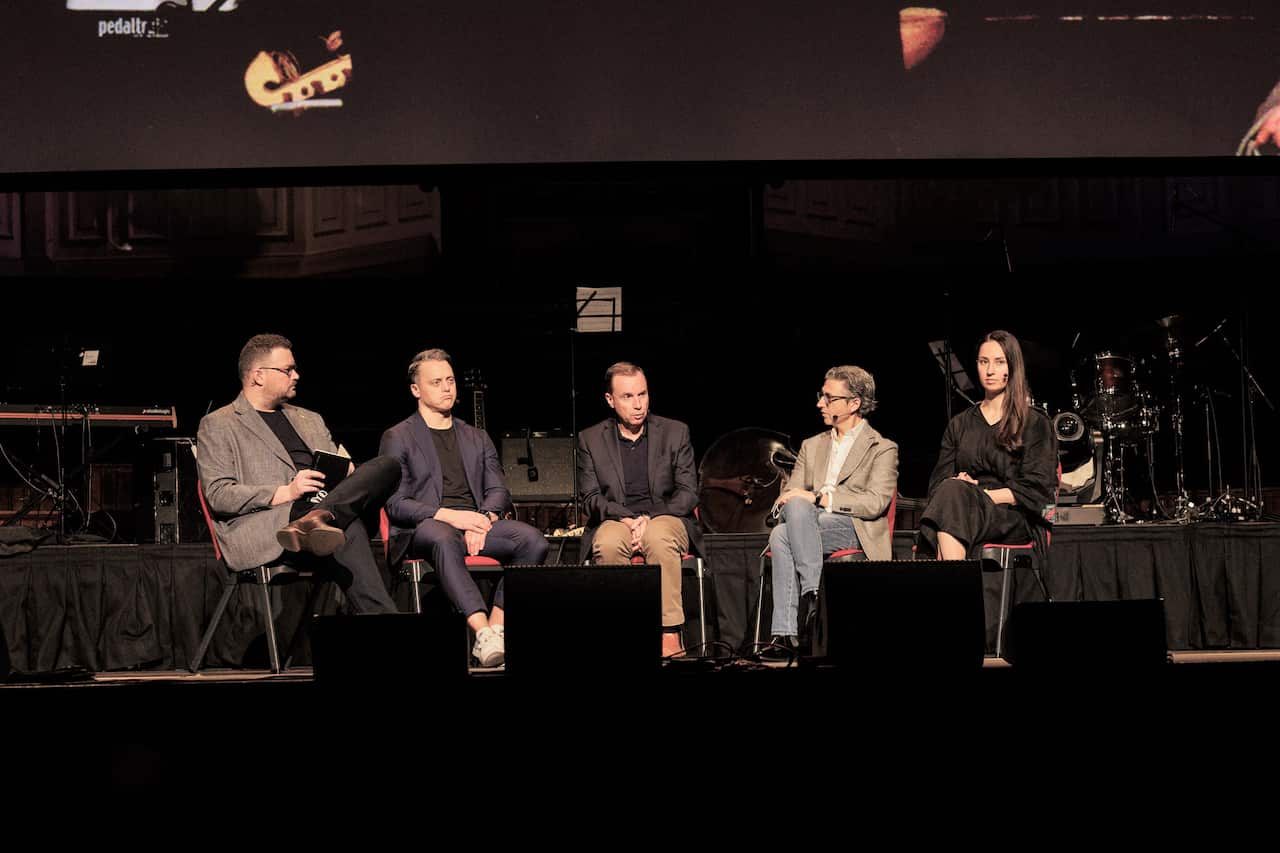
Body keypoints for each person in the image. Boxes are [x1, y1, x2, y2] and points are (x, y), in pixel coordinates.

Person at [196, 333, 399, 616]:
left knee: (388, 465)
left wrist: (346, 473)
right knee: (344, 528)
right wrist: (287, 492)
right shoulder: (219, 424)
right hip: (272, 526)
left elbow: (336, 466)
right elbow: (219, 494)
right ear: (258, 375)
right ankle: (391, 627)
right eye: (287, 369)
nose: (296, 375)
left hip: (326, 504)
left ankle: (321, 515)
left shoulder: (310, 419)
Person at [380, 349, 549, 668]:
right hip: (426, 527)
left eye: (450, 380)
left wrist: (482, 519)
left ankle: (497, 628)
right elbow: (397, 503)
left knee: (533, 541)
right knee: (444, 537)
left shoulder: (476, 436)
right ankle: (481, 631)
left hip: (475, 522)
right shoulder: (398, 436)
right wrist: (456, 518)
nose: (446, 388)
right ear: (416, 390)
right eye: (436, 382)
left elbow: (498, 489)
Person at [761, 365, 898, 658]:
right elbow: (790, 499)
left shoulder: (882, 448)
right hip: (806, 523)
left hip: (854, 527)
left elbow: (875, 503)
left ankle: (785, 633)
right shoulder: (812, 446)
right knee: (787, 525)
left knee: (783, 534)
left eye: (829, 398)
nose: (820, 403)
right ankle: (813, 596)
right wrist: (804, 500)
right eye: (821, 396)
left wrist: (820, 498)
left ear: (854, 404)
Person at [577, 362, 701, 657]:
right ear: (610, 400)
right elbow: (590, 497)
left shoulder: (675, 432)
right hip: (616, 518)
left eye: (642, 395)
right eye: (628, 397)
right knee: (607, 543)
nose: (638, 405)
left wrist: (650, 517)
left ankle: (669, 633)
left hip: (667, 517)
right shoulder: (590, 439)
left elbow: (688, 494)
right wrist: (627, 518)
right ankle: (622, 631)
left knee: (657, 537)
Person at [916, 329, 1057, 563]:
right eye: (984, 362)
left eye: (999, 362)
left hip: (1012, 516)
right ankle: (958, 583)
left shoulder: (1034, 423)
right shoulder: (959, 424)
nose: (990, 370)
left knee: (953, 500)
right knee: (950, 494)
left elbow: (1038, 491)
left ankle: (954, 584)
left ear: (1012, 367)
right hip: (961, 508)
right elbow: (937, 485)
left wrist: (977, 494)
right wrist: (960, 487)